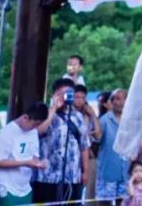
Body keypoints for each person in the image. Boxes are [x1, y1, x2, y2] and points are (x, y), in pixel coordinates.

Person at [32, 77, 91, 205]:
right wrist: (54, 108)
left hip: (72, 176)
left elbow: (84, 146)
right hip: (47, 176)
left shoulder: (78, 117)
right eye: (62, 94)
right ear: (54, 95)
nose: (66, 97)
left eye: (69, 94)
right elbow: (39, 131)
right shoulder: (45, 113)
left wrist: (85, 171)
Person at [0, 102, 48, 206]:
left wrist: (40, 164)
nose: (35, 127)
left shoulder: (33, 132)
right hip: (4, 188)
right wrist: (25, 163)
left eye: (38, 125)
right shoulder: (6, 132)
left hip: (25, 188)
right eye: (35, 124)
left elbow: (34, 157)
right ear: (25, 117)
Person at [96, 90, 130, 206]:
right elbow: (96, 141)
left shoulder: (131, 121)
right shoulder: (104, 120)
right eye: (115, 99)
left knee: (124, 202)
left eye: (121, 99)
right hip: (108, 172)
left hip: (126, 172)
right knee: (105, 203)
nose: (117, 102)